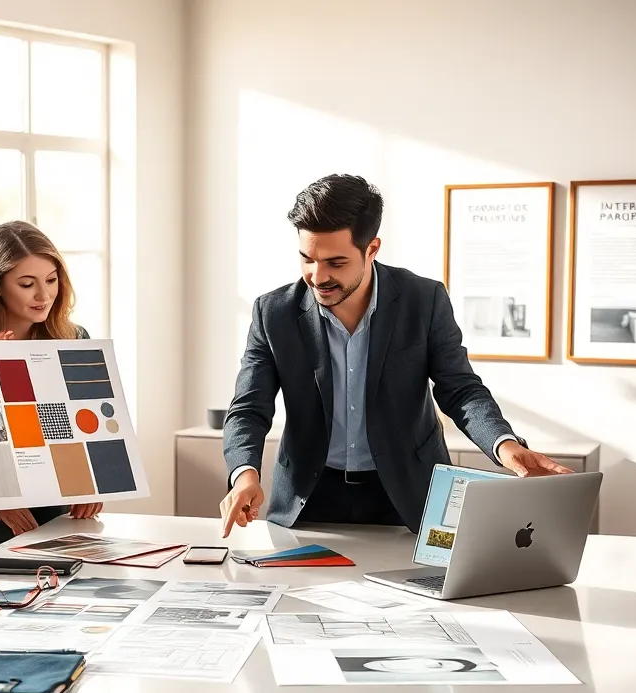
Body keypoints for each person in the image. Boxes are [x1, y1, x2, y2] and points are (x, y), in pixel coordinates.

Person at [219, 174, 572, 537]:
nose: (317, 275)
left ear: (372, 249)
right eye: (307, 259)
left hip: (408, 495)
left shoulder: (424, 300)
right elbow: (249, 407)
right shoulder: (273, 312)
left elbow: (460, 388)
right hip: (308, 497)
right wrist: (245, 473)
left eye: (335, 263)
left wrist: (505, 444)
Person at [0, 220, 103, 555]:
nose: (44, 295)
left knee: (67, 589)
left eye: (51, 280)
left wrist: (92, 483)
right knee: (2, 589)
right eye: (27, 284)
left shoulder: (75, 338)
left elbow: (88, 421)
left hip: (60, 491)